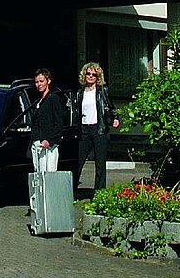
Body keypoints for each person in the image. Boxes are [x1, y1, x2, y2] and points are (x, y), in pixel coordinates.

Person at [23, 67, 70, 214]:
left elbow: (59, 124)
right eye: (36, 82)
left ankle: (50, 209)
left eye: (41, 81)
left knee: (48, 176)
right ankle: (40, 208)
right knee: (38, 175)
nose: (38, 84)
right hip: (37, 145)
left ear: (48, 81)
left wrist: (49, 140)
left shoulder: (53, 98)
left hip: (48, 146)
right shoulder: (38, 101)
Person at [72, 62, 120, 194]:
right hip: (84, 130)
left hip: (99, 129)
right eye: (88, 74)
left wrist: (115, 119)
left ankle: (99, 193)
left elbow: (111, 107)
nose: (91, 76)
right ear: (84, 75)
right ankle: (72, 191)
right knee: (78, 162)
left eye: (94, 74)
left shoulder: (103, 91)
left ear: (98, 76)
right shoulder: (79, 93)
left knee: (100, 164)